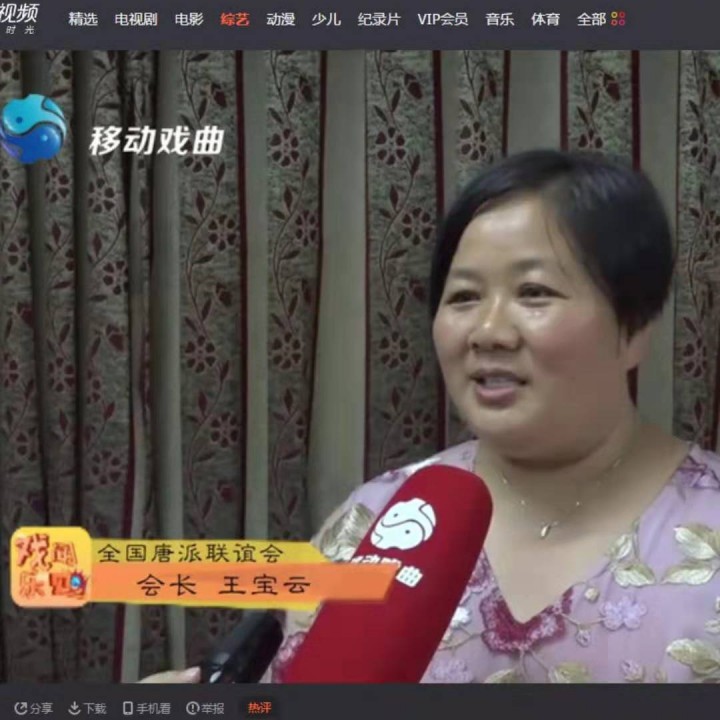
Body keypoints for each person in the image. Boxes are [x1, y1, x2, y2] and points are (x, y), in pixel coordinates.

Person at [140, 149, 720, 684]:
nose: (487, 332)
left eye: (534, 292)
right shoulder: (382, 516)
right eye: (463, 297)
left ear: (634, 327)